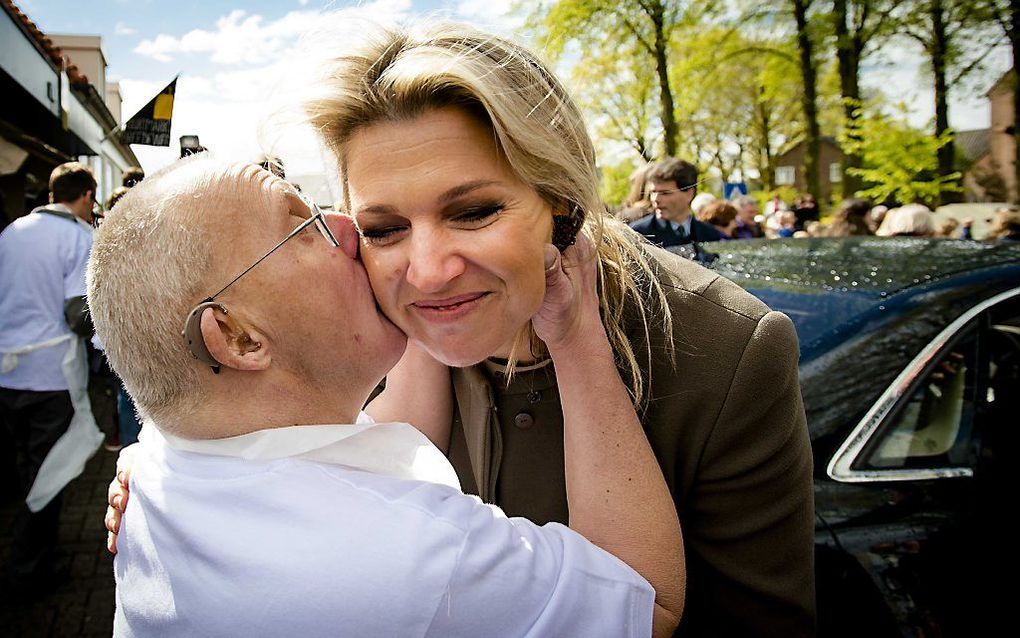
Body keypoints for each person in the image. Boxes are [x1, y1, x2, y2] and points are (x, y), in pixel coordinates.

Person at [109, 20, 814, 637]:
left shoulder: (729, 348)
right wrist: (173, 470)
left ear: (562, 202)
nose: (427, 271)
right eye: (383, 226)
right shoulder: (356, 325)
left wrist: (177, 477)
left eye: (474, 212)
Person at [93, 155, 684, 636]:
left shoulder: (168, 459)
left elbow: (397, 445)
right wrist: (577, 334)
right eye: (304, 226)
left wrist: (424, 290)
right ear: (238, 338)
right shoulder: (403, 558)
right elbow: (644, 603)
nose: (350, 227)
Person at [0, 162, 104, 592]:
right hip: (49, 375)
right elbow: (76, 315)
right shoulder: (77, 237)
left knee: (23, 467)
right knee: (50, 470)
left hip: (7, 371)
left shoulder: (12, 232)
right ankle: (29, 569)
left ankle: (26, 548)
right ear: (85, 197)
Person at [629, 158, 724, 247]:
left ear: (689, 194)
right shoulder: (638, 234)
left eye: (665, 193)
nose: (655, 199)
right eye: (653, 192)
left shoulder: (710, 234)